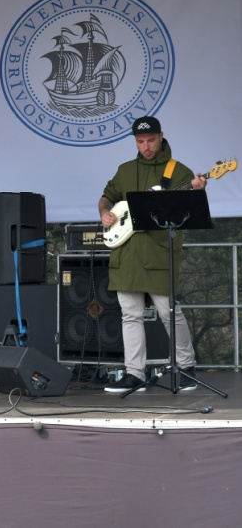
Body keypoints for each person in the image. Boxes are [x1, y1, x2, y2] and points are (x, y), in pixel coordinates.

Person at [99, 116, 206, 393]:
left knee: (170, 313)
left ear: (161, 136)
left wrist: (197, 192)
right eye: (140, 141)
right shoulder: (125, 170)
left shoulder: (179, 171)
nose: (146, 146)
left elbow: (190, 212)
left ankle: (187, 368)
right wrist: (104, 212)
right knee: (130, 315)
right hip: (126, 253)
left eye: (150, 140)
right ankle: (134, 374)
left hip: (159, 254)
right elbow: (107, 196)